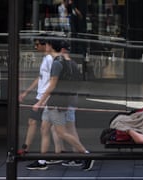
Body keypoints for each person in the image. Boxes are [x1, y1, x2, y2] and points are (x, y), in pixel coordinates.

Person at [26, 37, 94, 171]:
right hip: (54, 102)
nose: (44, 47)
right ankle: (42, 160)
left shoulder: (57, 63)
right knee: (44, 129)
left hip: (56, 102)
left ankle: (86, 154)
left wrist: (39, 102)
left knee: (61, 132)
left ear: (51, 46)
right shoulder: (65, 61)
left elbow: (52, 85)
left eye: (46, 45)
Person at [19, 36, 65, 165]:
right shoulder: (46, 58)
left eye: (37, 44)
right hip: (42, 96)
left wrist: (43, 100)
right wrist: (27, 92)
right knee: (50, 127)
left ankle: (30, 151)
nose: (36, 47)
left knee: (43, 126)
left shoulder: (51, 59)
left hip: (45, 97)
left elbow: (53, 81)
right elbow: (40, 77)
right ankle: (59, 152)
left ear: (46, 45)